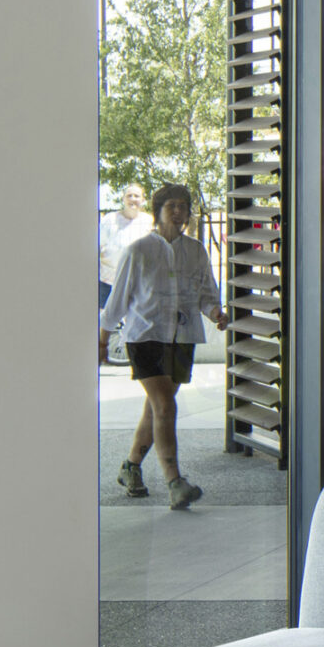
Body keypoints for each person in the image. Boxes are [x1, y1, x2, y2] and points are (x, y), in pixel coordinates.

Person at [99, 181, 228, 510]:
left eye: (182, 205)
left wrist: (215, 312)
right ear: (157, 211)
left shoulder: (195, 250)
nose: (177, 211)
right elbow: (117, 300)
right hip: (145, 336)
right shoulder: (140, 249)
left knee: (157, 407)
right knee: (166, 407)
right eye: (170, 205)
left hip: (182, 339)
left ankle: (131, 467)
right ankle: (175, 482)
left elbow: (207, 293)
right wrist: (102, 339)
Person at [97, 180, 145, 311]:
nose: (132, 199)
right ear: (123, 199)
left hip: (136, 285)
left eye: (136, 196)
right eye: (129, 195)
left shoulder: (147, 222)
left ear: (143, 200)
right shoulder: (110, 219)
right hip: (108, 283)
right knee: (104, 326)